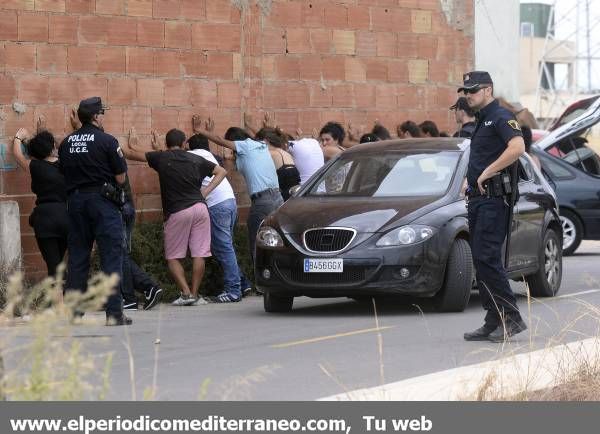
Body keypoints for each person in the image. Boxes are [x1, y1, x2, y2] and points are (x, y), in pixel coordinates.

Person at [459, 71, 528, 343]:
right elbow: (482, 154)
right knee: (481, 260)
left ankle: (511, 319)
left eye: (472, 90)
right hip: (479, 199)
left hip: (494, 200)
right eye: (465, 91)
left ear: (488, 90)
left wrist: (486, 173)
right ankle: (493, 319)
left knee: (488, 258)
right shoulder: (481, 120)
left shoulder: (499, 116)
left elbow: (517, 147)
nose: (468, 95)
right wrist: (469, 178)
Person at [122, 128, 226, 306]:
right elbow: (221, 171)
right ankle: (195, 294)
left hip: (178, 211)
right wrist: (206, 191)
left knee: (173, 256)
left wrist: (127, 143)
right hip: (201, 208)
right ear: (184, 143)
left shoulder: (161, 157)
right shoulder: (195, 158)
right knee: (199, 254)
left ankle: (185, 293)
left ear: (166, 143)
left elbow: (131, 154)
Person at [58, 97, 130, 325]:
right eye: (103, 113)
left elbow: (63, 173)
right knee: (111, 256)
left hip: (75, 202)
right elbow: (120, 177)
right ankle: (114, 314)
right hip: (102, 202)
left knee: (78, 257)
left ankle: (74, 313)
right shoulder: (108, 141)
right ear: (96, 116)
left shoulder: (66, 143)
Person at [192, 116, 284, 264]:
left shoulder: (245, 146)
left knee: (257, 239)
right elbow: (225, 167)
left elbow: (220, 142)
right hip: (277, 197)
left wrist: (200, 131)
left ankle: (259, 275)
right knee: (275, 237)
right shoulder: (259, 145)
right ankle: (277, 271)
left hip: (263, 200)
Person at [186, 132, 249, 302]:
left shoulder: (191, 155)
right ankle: (243, 283)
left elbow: (172, 156)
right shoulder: (211, 156)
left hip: (217, 206)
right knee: (227, 246)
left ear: (190, 146)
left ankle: (233, 291)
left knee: (223, 248)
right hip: (230, 202)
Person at [12, 125, 68, 280]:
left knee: (54, 266)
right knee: (59, 264)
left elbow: (18, 155)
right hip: (66, 217)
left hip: (45, 219)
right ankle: (64, 297)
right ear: (52, 147)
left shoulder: (35, 166)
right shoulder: (65, 165)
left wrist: (18, 137)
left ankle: (59, 301)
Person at [256, 127, 300, 201]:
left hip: (285, 195)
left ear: (265, 141)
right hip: (295, 192)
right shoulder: (285, 152)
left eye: (258, 143)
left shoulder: (270, 154)